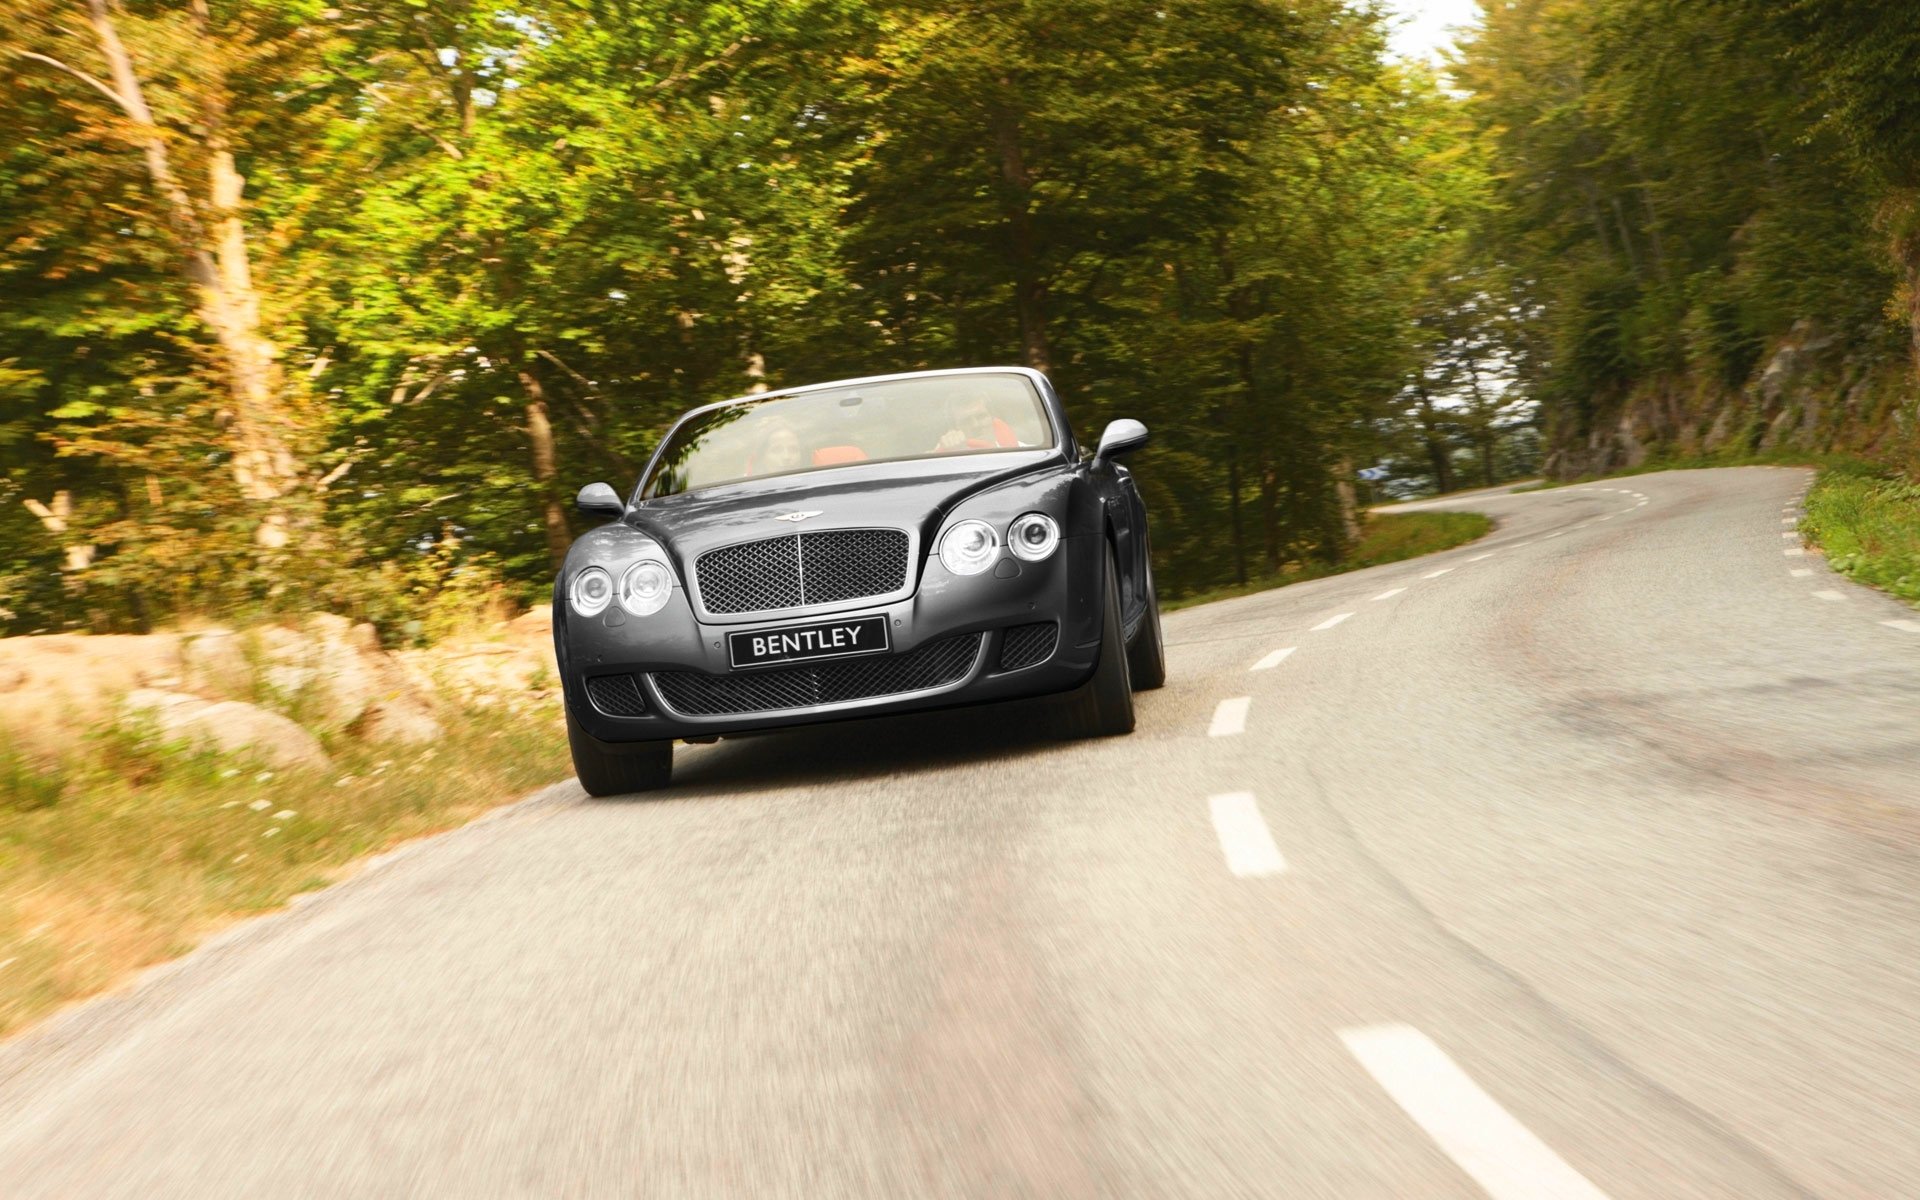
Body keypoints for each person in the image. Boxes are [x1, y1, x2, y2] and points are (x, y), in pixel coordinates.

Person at [934, 395, 1019, 451]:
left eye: (981, 416)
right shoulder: (943, 458)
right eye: (966, 420)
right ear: (954, 428)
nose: (976, 425)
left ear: (992, 417)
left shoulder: (1025, 452)